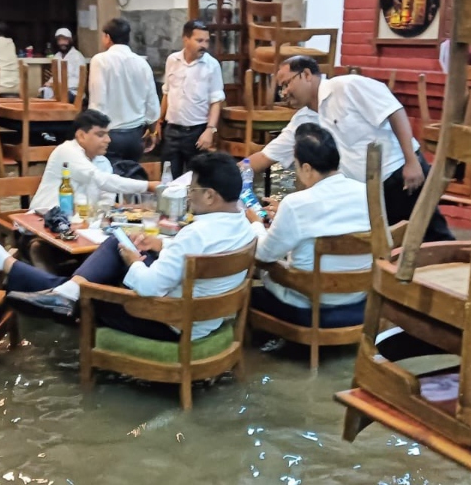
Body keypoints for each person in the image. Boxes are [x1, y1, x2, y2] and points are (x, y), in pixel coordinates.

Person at [0, 152, 254, 341]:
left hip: (168, 321)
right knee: (118, 239)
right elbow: (198, 254)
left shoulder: (196, 234)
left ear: (210, 196)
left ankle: (8, 263)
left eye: (192, 191)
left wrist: (134, 260)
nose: (188, 198)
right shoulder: (243, 225)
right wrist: (163, 244)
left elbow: (150, 287)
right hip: (204, 319)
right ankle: (63, 291)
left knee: (94, 286)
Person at [256, 56, 453, 241]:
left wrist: (411, 161)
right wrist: (236, 171)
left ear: (307, 75)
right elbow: (267, 155)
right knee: (389, 246)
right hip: (366, 193)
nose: (283, 94)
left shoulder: (347, 86)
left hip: (400, 174)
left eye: (286, 84)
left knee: (431, 236)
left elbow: (394, 111)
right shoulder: (303, 120)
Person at [247, 123, 371, 330]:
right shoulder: (367, 193)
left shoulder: (296, 203)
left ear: (306, 167)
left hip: (308, 304)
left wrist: (257, 225)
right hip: (358, 299)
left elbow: (263, 255)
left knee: (251, 282)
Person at [28, 109, 157, 211]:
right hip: (43, 219)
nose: (108, 140)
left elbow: (106, 201)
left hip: (78, 224)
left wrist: (122, 209)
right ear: (81, 136)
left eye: (108, 134)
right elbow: (99, 179)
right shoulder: (67, 151)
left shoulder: (103, 163)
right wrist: (148, 186)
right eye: (100, 135)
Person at [88, 18, 160, 165]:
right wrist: (153, 132)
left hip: (110, 135)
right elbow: (152, 102)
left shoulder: (100, 60)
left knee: (109, 183)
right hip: (135, 136)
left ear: (107, 37)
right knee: (131, 180)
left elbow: (98, 102)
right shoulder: (142, 63)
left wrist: (93, 134)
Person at [160, 20, 225, 178]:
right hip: (172, 130)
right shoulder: (172, 60)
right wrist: (159, 122)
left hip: (196, 132)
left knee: (196, 180)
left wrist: (210, 130)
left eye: (207, 41)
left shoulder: (212, 65)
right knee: (169, 179)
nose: (204, 45)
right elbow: (167, 92)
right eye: (199, 40)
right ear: (186, 39)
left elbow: (216, 101)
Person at [44, 27, 85, 102]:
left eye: (64, 40)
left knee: (62, 98)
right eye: (59, 40)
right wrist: (49, 83)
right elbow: (55, 76)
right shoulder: (57, 56)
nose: (62, 43)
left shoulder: (77, 57)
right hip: (56, 90)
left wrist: (58, 85)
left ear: (70, 40)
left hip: (73, 92)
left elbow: (78, 81)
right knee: (42, 94)